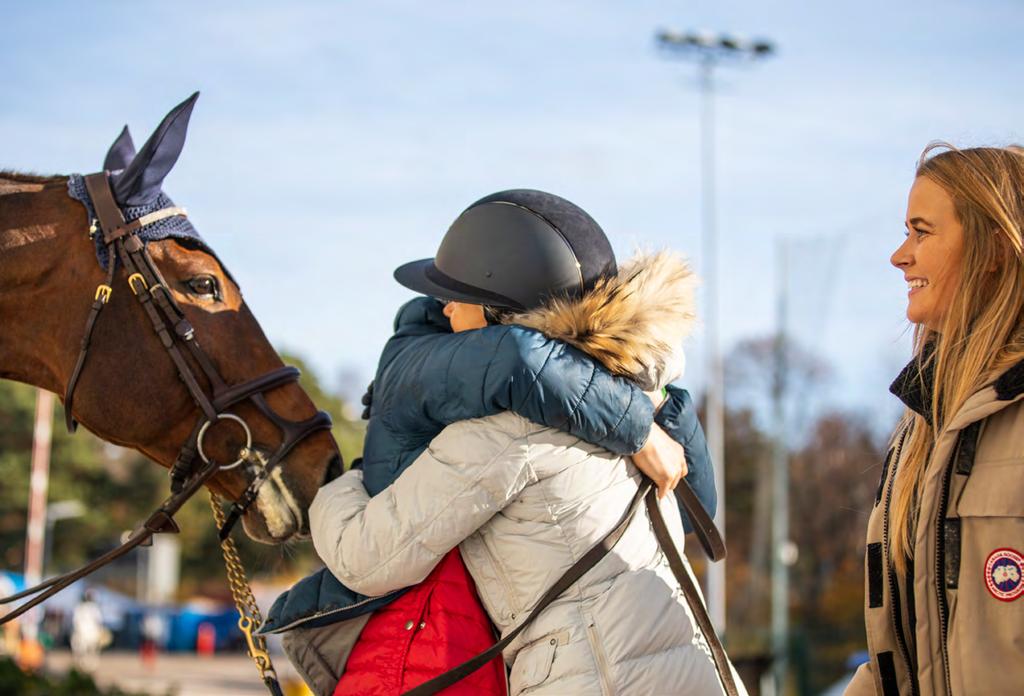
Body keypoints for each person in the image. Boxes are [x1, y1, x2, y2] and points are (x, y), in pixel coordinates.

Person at [310, 190, 741, 695]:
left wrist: (337, 483)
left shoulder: (503, 435)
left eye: (458, 293)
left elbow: (366, 557)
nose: (444, 305)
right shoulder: (639, 398)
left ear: (498, 310)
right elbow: (695, 517)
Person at [845, 144, 1024, 696]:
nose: (900, 255)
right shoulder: (920, 428)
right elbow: (900, 660)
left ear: (993, 247)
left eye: (922, 232)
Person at [71, 589, 105, 672]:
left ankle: (87, 666)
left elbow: (75, 621)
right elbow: (99, 621)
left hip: (88, 631)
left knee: (89, 650)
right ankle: (86, 666)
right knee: (87, 650)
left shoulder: (84, 607)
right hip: (87, 631)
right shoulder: (87, 607)